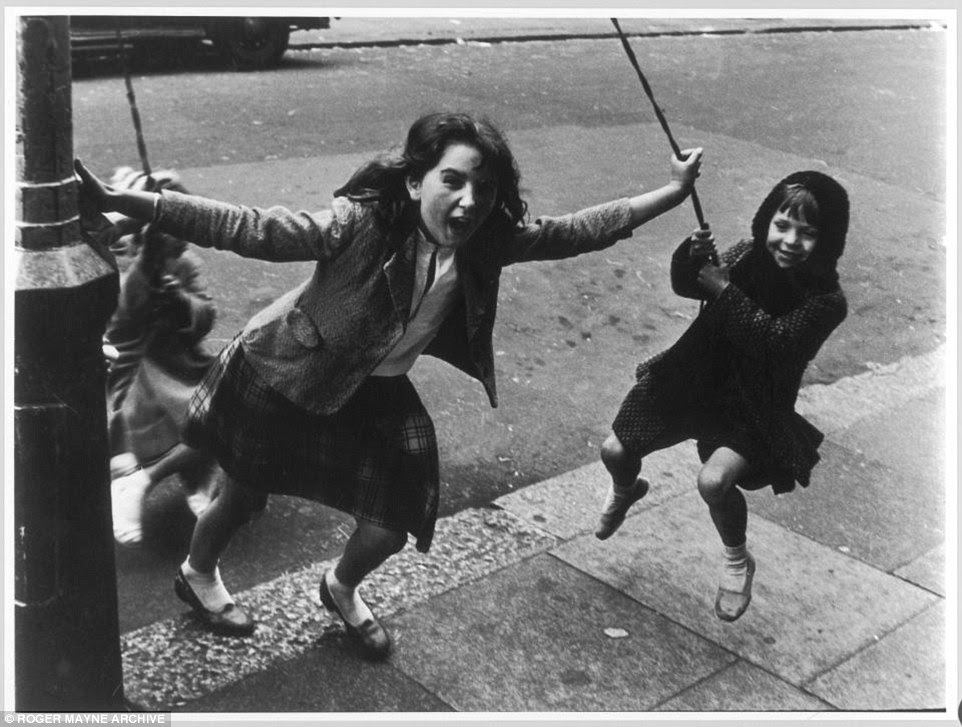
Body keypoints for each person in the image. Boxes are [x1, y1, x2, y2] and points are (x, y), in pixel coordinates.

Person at [75, 111, 704, 656]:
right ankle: (198, 573)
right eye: (451, 180)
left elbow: (575, 231)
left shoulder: (488, 240)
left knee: (395, 518)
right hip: (286, 370)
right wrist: (128, 202)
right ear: (414, 181)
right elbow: (250, 227)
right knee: (241, 495)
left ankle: (340, 587)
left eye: (483, 189)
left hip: (376, 389)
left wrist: (673, 195)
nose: (467, 201)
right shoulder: (361, 225)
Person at [595, 170, 849, 623]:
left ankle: (736, 560)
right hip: (692, 379)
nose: (790, 240)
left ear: (829, 240)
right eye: (782, 225)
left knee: (714, 482)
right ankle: (627, 488)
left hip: (753, 405)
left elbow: (775, 343)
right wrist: (691, 260)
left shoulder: (827, 300)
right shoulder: (749, 254)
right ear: (764, 221)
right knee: (614, 449)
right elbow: (690, 284)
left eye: (808, 233)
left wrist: (722, 288)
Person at [102, 168, 221, 548]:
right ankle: (137, 481)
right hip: (144, 374)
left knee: (221, 415)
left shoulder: (187, 265)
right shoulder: (134, 269)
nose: (176, 239)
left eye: (181, 227)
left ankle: (199, 479)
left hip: (187, 363)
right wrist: (149, 271)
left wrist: (182, 302)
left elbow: (205, 316)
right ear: (144, 236)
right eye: (163, 231)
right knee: (185, 421)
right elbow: (122, 322)